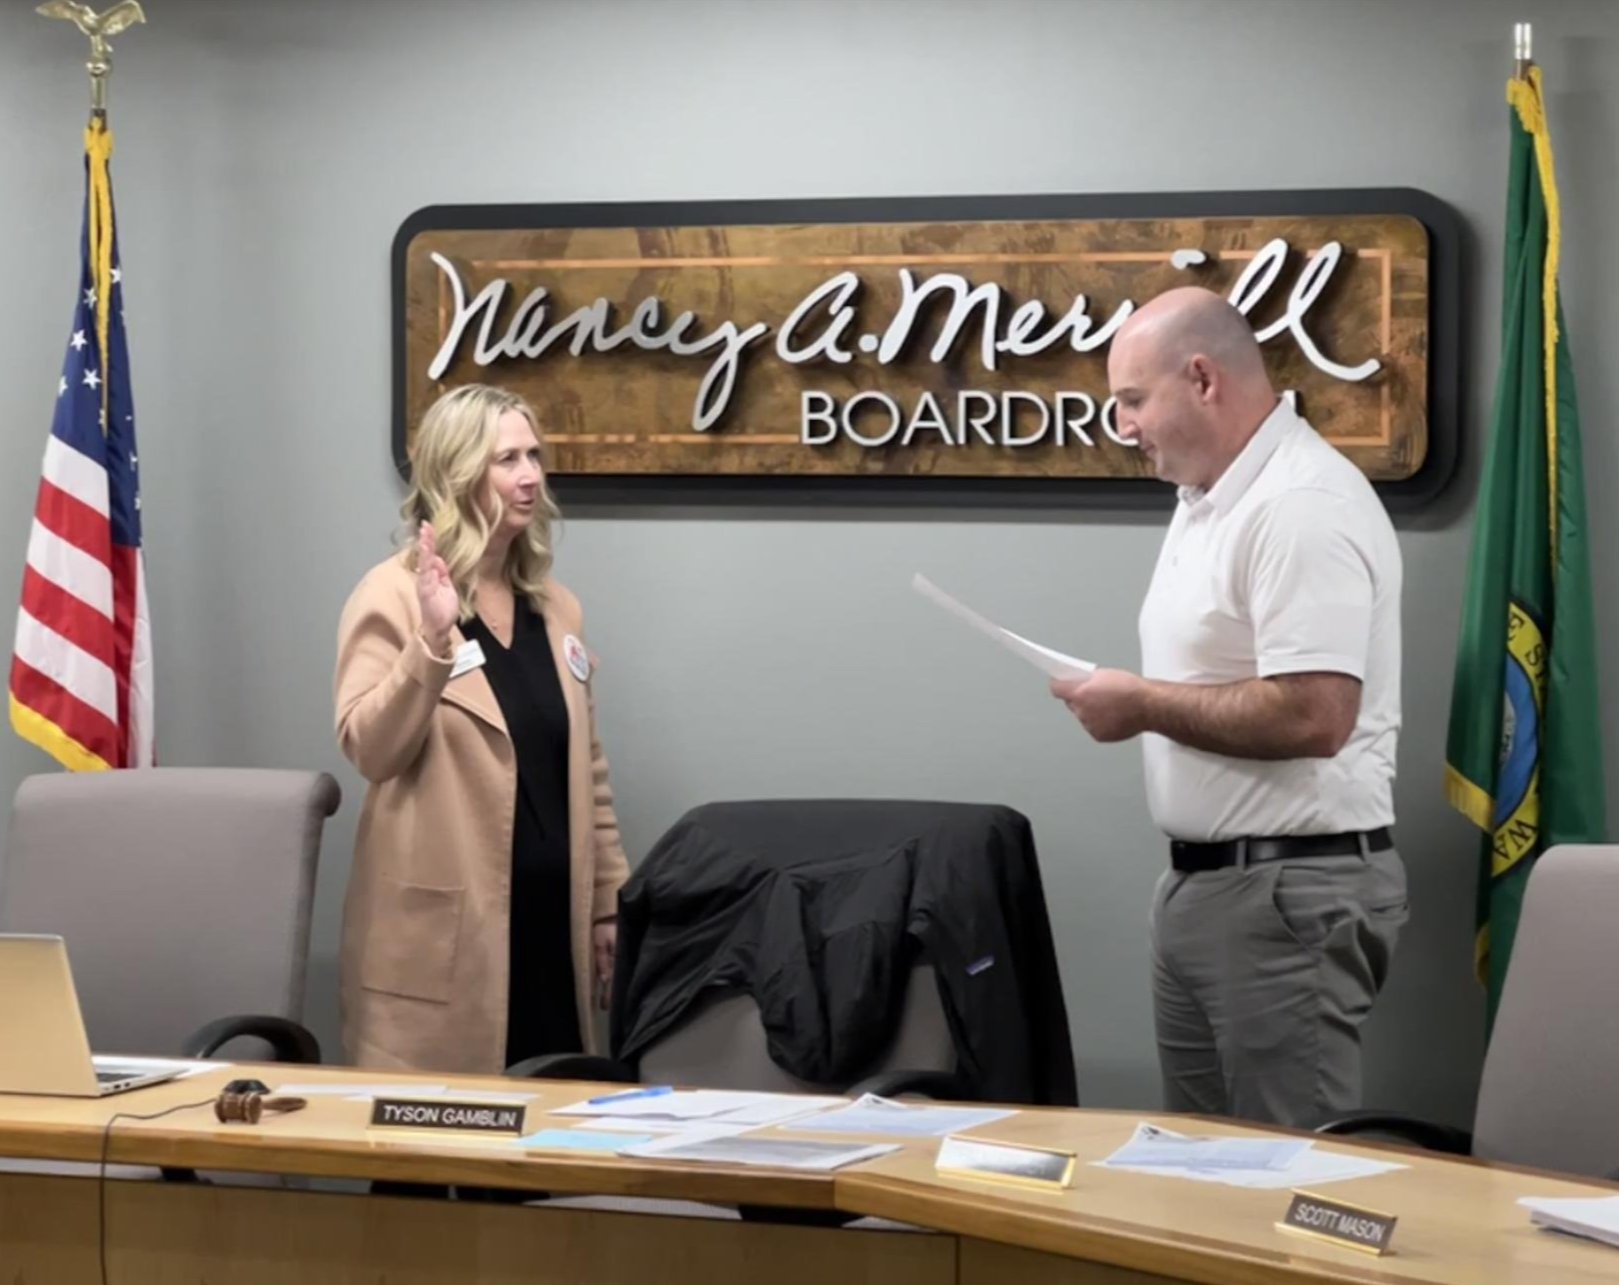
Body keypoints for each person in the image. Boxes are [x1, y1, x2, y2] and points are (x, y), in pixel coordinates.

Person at [1051, 287, 1408, 1127]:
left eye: (1132, 401)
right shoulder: (1209, 498)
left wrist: (1137, 703)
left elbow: (1315, 714)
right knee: (1199, 1180)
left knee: (1285, 1183)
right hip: (1211, 886)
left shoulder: (1296, 506)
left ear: (1202, 378)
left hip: (1286, 889)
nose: (1124, 427)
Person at [334, 383, 629, 1073]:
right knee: (428, 1160)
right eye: (506, 459)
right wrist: (431, 643)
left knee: (538, 1155)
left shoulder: (556, 609)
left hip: (550, 932)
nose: (529, 475)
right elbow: (369, 748)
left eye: (533, 455)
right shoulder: (391, 593)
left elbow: (586, 767)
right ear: (459, 472)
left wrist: (607, 903)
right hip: (445, 946)